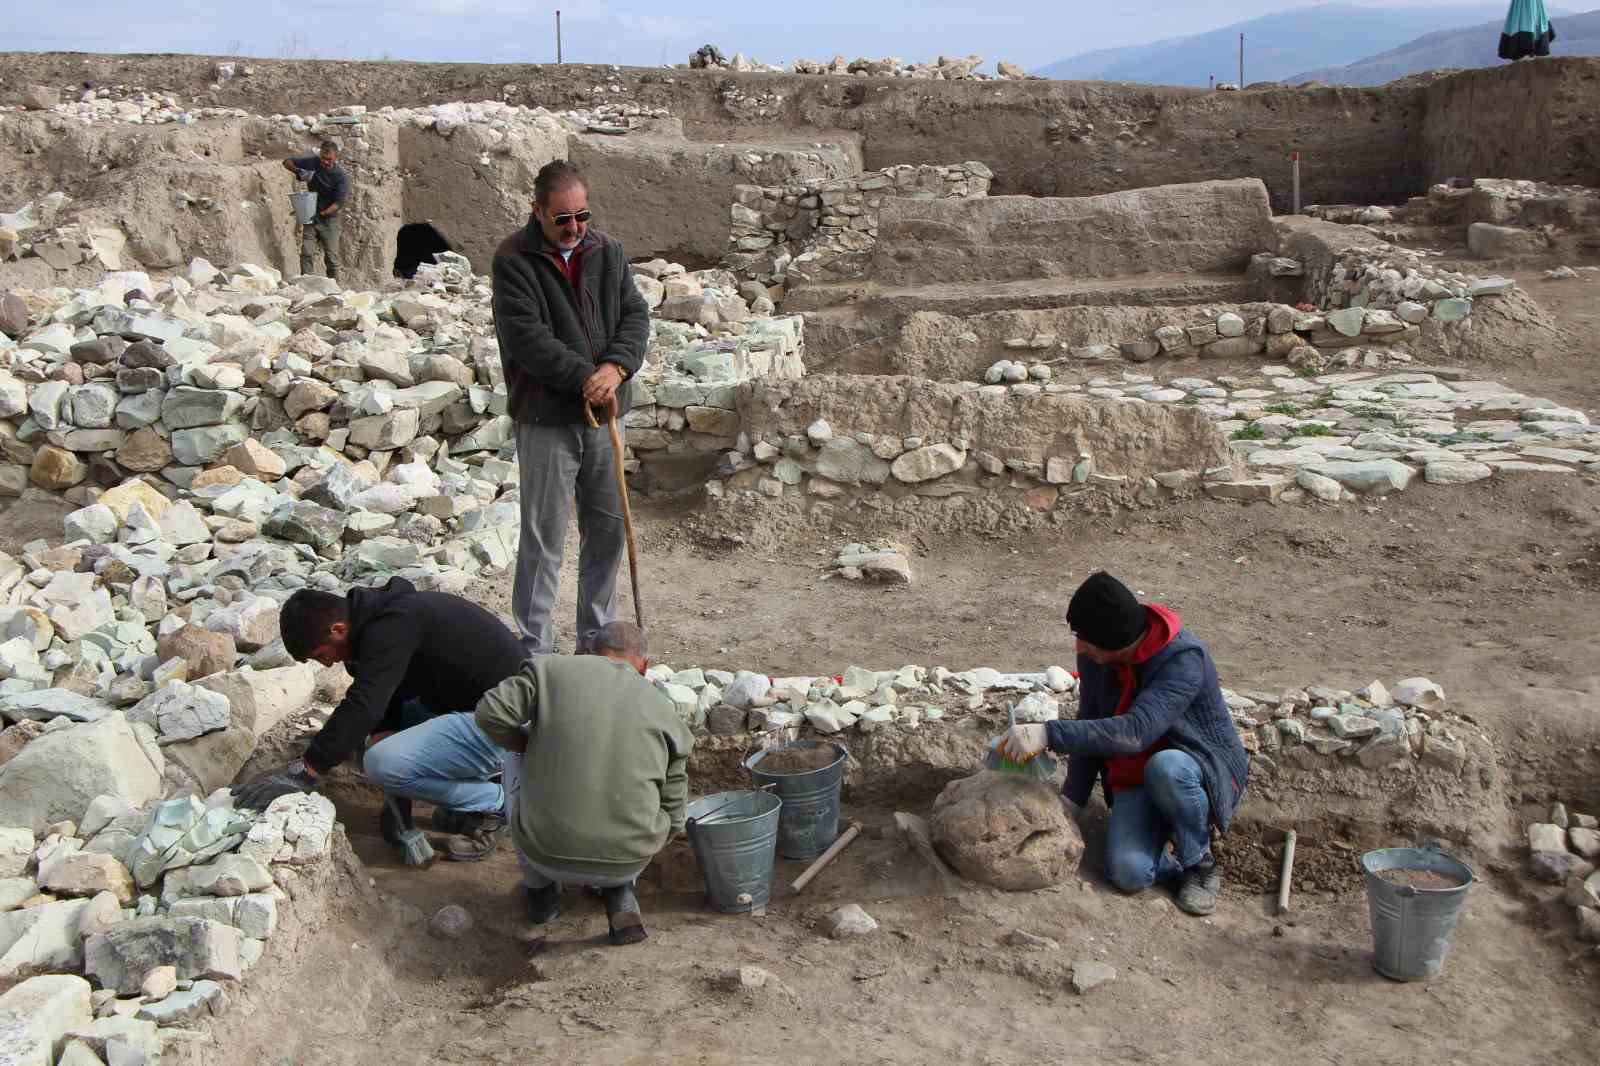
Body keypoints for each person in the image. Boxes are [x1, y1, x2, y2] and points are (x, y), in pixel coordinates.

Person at [999, 572, 1248, 916]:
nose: (1080, 647)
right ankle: (1165, 852)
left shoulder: (1182, 660)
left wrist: (1048, 734)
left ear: (1116, 640)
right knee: (1129, 874)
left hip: (1196, 768)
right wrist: (1072, 800)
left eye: (1087, 639)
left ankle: (1198, 862)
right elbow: (1092, 718)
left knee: (1167, 768)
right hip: (1135, 777)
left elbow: (1135, 731)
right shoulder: (1097, 656)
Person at [233, 577, 527, 862]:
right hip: (483, 707)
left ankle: (498, 802)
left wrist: (306, 770)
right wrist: (398, 796)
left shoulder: (392, 626)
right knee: (374, 739)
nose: (327, 663)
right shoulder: (376, 623)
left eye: (321, 655)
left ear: (337, 629)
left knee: (381, 763)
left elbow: (364, 705)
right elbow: (386, 701)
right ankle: (477, 787)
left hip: (513, 725)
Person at [490, 159, 650, 656]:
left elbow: (634, 314)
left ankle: (594, 642)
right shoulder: (514, 259)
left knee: (606, 530)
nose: (575, 227)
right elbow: (527, 339)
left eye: (582, 216)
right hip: (546, 418)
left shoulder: (606, 250)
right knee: (544, 538)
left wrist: (617, 368)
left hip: (605, 415)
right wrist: (587, 377)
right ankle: (533, 650)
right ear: (537, 211)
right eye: (563, 219)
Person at [474, 621, 692, 946]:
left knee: (514, 757)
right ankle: (620, 892)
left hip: (543, 852)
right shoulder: (663, 708)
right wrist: (640, 844)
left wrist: (526, 744)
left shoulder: (550, 671)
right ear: (644, 666)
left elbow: (490, 714)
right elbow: (674, 811)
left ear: (589, 652)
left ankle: (541, 894)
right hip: (629, 858)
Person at [282, 140, 348, 280]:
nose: (325, 162)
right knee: (306, 253)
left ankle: (334, 288)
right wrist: (299, 171)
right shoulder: (313, 163)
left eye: (329, 159)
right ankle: (307, 285)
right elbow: (287, 162)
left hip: (330, 220)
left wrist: (321, 213)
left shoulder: (340, 176)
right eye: (323, 158)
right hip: (311, 216)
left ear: (336, 157)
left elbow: (338, 203)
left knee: (331, 257)